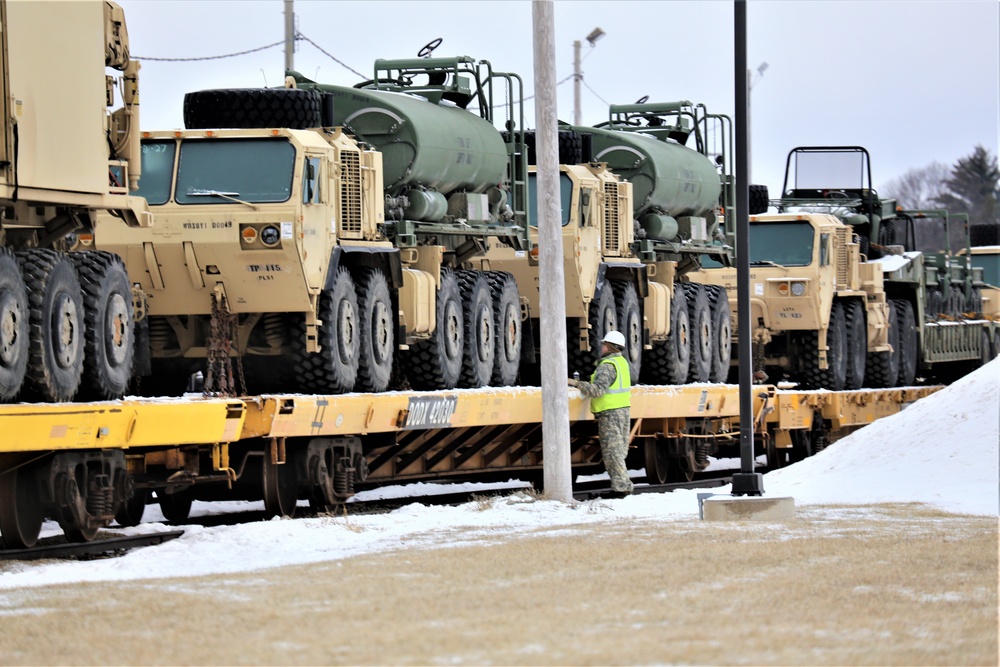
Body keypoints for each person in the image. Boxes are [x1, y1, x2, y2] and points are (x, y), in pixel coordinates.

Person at [568, 330, 634, 497]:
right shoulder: (622, 363)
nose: (602, 347)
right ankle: (623, 485)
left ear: (610, 347)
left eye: (605, 345)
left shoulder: (607, 366)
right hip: (622, 410)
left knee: (612, 453)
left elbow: (597, 390)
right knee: (619, 451)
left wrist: (575, 383)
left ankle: (621, 489)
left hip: (610, 413)